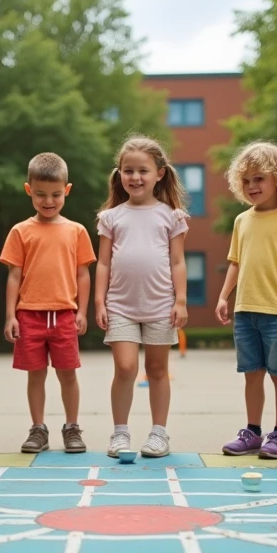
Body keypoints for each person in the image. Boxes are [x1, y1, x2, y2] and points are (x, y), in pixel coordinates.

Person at [215, 141, 277, 460]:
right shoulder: (242, 221)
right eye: (246, 180)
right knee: (252, 373)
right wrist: (223, 296)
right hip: (246, 312)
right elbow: (235, 262)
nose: (252, 186)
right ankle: (252, 432)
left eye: (259, 178)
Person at [94, 136, 189, 459]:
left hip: (161, 304)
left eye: (143, 171)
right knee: (125, 367)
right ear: (119, 174)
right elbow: (103, 262)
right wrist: (98, 301)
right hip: (120, 305)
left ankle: (158, 434)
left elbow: (177, 261)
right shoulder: (111, 217)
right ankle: (120, 433)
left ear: (159, 174)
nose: (135, 177)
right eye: (128, 170)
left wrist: (180, 301)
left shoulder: (171, 216)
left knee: (158, 369)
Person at [0, 152, 96, 454]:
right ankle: (38, 429)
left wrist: (82, 311)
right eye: (40, 194)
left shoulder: (76, 231)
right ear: (29, 190)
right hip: (29, 314)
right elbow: (13, 277)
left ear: (66, 190)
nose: (48, 201)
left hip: (64, 314)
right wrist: (10, 316)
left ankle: (72, 428)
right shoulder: (20, 231)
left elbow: (83, 274)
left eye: (56, 194)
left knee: (68, 373)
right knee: (36, 374)